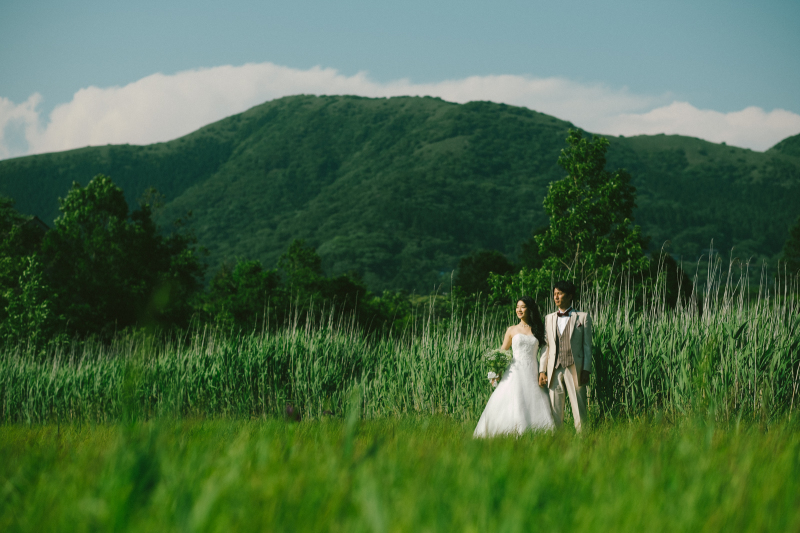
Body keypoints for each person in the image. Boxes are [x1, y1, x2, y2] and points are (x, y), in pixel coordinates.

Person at [473, 296, 555, 437]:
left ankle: (535, 433)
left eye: (522, 307)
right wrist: (495, 372)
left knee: (533, 400)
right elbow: (502, 352)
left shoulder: (539, 330)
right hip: (514, 371)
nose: (519, 310)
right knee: (512, 399)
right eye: (517, 307)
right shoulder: (511, 329)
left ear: (530, 309)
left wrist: (543, 371)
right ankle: (507, 432)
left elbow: (544, 352)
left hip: (532, 370)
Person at [538, 280, 592, 432]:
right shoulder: (549, 318)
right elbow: (546, 346)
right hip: (554, 368)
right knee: (555, 409)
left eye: (560, 294)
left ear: (569, 296)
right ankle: (558, 442)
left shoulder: (583, 317)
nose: (556, 297)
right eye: (554, 294)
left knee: (579, 408)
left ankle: (583, 440)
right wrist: (542, 370)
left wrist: (586, 369)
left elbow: (587, 346)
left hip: (575, 368)